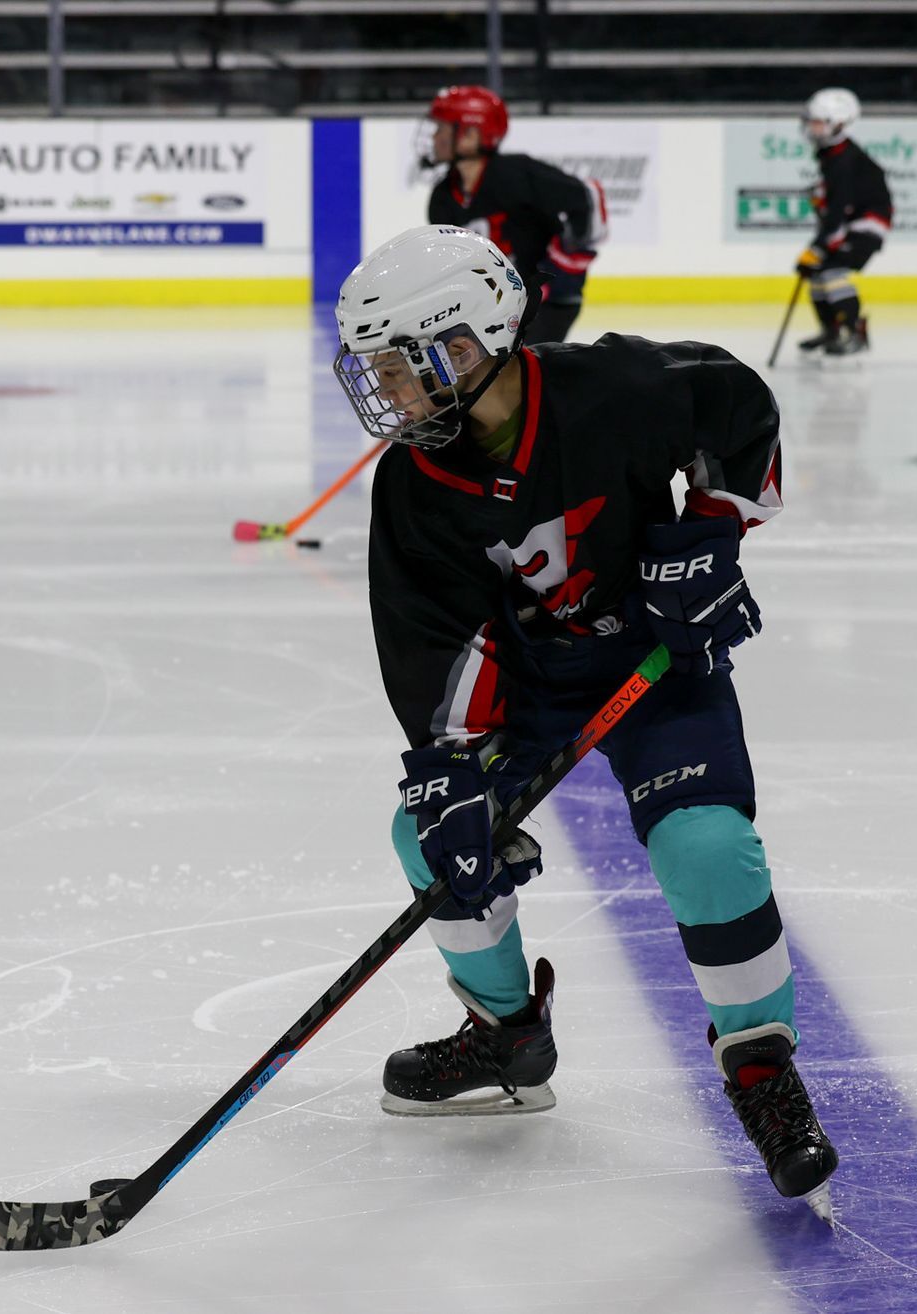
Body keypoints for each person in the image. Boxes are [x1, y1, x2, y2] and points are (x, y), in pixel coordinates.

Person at [331, 224, 838, 1211]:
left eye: (396, 366)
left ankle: (761, 1071)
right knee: (432, 838)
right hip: (532, 687)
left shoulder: (615, 390)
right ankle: (508, 1036)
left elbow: (738, 405)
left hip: (659, 663)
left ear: (465, 347)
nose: (383, 391)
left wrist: (711, 535)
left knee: (706, 847)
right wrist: (454, 775)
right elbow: (435, 644)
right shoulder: (416, 485)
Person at [420, 84, 605, 346]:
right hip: (497, 309)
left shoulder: (517, 174)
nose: (434, 136)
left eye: (442, 128)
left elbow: (587, 199)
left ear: (471, 134)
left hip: (547, 304)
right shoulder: (443, 197)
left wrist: (560, 270)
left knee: (519, 364)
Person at [796, 87, 892, 357]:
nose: (812, 128)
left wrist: (817, 248)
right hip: (851, 223)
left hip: (866, 226)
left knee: (831, 271)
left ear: (839, 124)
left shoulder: (845, 160)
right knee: (817, 273)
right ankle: (832, 330)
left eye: (819, 122)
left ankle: (854, 332)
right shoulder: (833, 154)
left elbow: (839, 213)